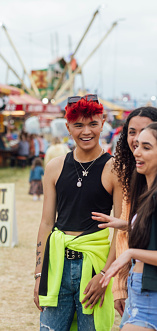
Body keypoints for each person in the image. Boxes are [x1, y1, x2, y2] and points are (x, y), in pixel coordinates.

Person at [33, 94, 122, 331]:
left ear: (103, 123)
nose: (86, 131)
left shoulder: (115, 168)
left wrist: (105, 276)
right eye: (78, 125)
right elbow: (46, 223)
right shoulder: (54, 167)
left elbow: (121, 230)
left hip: (94, 267)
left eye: (93, 123)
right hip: (56, 266)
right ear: (68, 127)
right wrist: (39, 274)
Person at [95, 122, 157, 330]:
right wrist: (124, 224)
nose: (137, 152)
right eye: (137, 144)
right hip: (139, 293)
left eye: (146, 147)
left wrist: (130, 253)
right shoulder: (148, 193)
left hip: (150, 299)